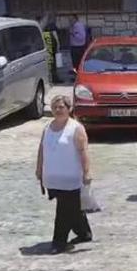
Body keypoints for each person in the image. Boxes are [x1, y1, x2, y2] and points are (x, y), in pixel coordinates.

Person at [36, 96, 93, 254]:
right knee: (72, 208)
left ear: (69, 109)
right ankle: (84, 233)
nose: (58, 110)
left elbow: (83, 152)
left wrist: (87, 172)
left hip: (71, 178)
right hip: (52, 178)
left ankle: (59, 242)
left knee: (63, 210)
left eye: (61, 107)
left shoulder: (76, 128)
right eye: (55, 107)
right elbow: (42, 150)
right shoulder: (47, 128)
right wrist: (39, 169)